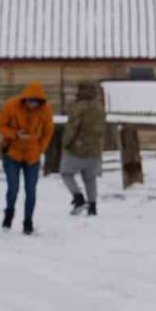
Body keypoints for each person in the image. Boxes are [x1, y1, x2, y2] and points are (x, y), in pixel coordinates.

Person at [0, 82, 53, 234]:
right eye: (29, 101)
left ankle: (28, 221)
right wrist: (15, 134)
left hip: (32, 155)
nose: (32, 105)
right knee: (13, 188)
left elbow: (48, 132)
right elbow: (0, 125)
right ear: (25, 98)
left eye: (35, 102)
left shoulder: (45, 110)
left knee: (31, 191)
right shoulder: (11, 105)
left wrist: (41, 149)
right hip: (12, 153)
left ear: (40, 102)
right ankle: (9, 214)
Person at [60, 81, 106, 216]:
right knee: (90, 178)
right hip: (94, 149)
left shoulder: (78, 107)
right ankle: (93, 207)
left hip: (77, 148)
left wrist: (65, 142)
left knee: (66, 173)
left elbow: (72, 128)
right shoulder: (100, 108)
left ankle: (78, 198)